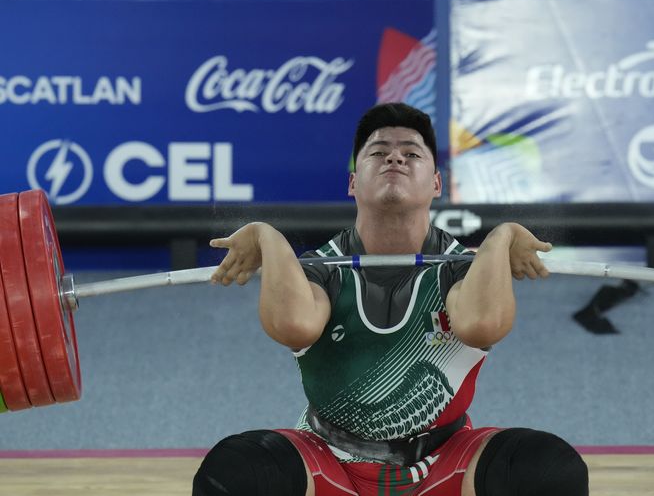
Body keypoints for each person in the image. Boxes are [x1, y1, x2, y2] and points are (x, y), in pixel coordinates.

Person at [193, 103, 589, 496]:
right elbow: (292, 325)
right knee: (236, 474)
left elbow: (483, 325)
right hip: (330, 462)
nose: (395, 157)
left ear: (436, 183)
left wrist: (501, 236)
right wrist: (267, 236)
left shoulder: (462, 268)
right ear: (353, 182)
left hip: (443, 465)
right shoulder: (323, 268)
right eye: (379, 151)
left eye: (411, 153)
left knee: (547, 471)